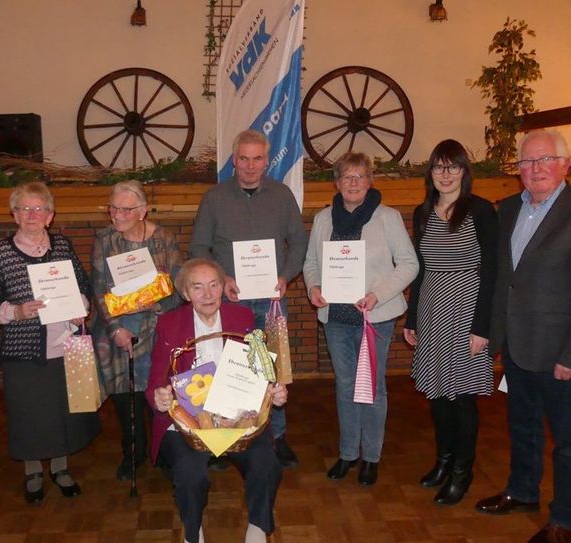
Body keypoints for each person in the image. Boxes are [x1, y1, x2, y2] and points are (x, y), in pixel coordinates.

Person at [474, 129, 571, 543]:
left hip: (563, 353)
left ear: (565, 164)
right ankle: (522, 491)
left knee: (569, 441)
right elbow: (505, 279)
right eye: (526, 162)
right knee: (523, 428)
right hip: (518, 346)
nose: (534, 169)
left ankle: (567, 521)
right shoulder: (508, 212)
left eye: (543, 160)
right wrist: (494, 334)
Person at [147, 258, 287, 543]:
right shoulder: (169, 323)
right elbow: (154, 384)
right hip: (189, 423)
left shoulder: (242, 317)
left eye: (214, 286)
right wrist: (160, 398)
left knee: (266, 463)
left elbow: (260, 370)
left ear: (224, 287)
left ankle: (258, 528)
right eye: (197, 288)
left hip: (236, 416)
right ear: (185, 293)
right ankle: (192, 529)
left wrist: (273, 390)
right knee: (189, 473)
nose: (208, 295)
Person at [189, 129, 307, 468]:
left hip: (272, 301)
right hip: (229, 303)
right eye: (244, 158)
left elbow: (298, 242)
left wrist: (286, 276)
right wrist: (222, 278)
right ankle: (224, 440)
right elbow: (198, 248)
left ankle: (276, 437)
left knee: (272, 369)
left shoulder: (282, 196)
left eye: (257, 158)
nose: (251, 166)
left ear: (267, 161)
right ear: (234, 160)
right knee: (227, 370)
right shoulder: (215, 198)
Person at [0, 181, 100, 505]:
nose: (32, 214)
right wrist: (17, 311)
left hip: (67, 345)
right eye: (25, 208)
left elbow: (82, 284)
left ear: (50, 215)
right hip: (24, 349)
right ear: (14, 214)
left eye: (39, 209)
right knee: (29, 413)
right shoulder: (2, 252)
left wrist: (82, 309)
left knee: (64, 411)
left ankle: (61, 468)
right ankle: (33, 471)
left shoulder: (62, 245)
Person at [303, 151, 418, 486]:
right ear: (337, 183)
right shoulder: (324, 218)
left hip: (375, 317)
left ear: (370, 181)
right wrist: (313, 287)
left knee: (373, 387)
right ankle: (347, 453)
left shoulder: (388, 217)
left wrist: (377, 294)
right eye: (346, 177)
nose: (353, 183)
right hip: (336, 316)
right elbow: (311, 261)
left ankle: (371, 456)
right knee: (344, 385)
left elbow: (409, 263)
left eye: (360, 176)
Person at [403, 139, 498, 505]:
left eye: (453, 166)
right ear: (431, 172)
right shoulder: (422, 212)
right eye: (439, 167)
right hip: (430, 308)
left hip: (466, 308)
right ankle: (443, 461)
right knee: (437, 393)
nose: (445, 174)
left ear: (464, 171)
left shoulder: (480, 211)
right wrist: (412, 317)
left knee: (462, 397)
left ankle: (463, 471)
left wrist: (482, 327)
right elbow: (420, 268)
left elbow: (491, 270)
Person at [91, 180, 182, 480]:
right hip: (116, 327)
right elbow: (99, 287)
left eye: (125, 209)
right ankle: (133, 450)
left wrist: (152, 307)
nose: (116, 215)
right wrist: (116, 328)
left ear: (142, 211)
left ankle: (165, 449)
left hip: (156, 324)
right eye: (112, 208)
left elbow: (177, 286)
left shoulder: (164, 239)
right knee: (123, 394)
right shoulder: (105, 240)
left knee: (159, 391)